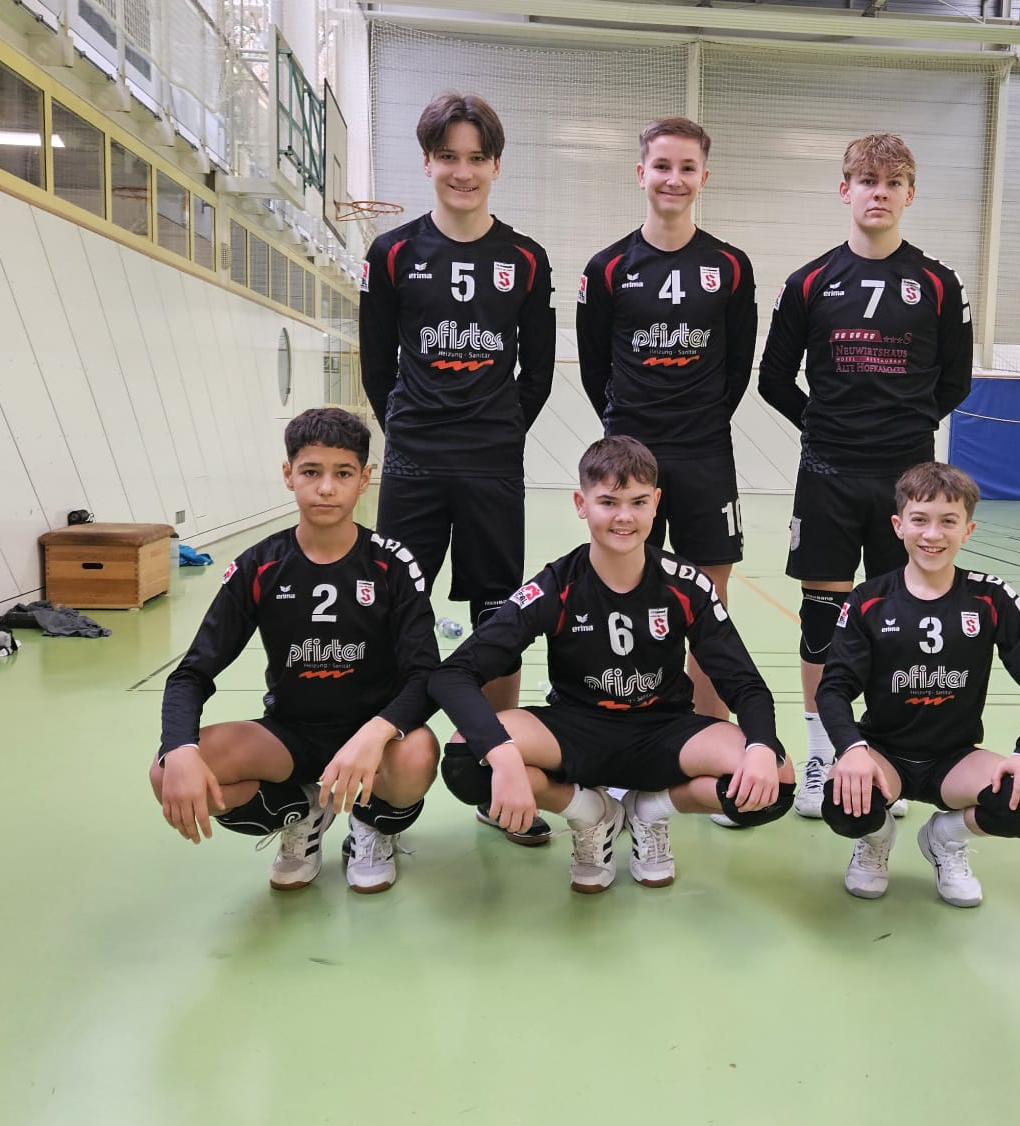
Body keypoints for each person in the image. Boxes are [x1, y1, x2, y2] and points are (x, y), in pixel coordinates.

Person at [428, 436, 793, 894]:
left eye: (638, 502)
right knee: (468, 761)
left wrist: (759, 747)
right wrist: (502, 755)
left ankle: (652, 810)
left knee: (776, 779)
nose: (624, 516)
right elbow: (454, 673)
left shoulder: (686, 585)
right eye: (608, 502)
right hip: (576, 729)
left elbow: (745, 684)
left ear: (656, 503)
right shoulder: (556, 584)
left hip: (664, 731)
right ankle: (590, 813)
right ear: (581, 505)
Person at [360, 91, 556, 845]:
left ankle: (489, 781)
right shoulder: (392, 253)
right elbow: (377, 365)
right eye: (448, 157)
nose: (463, 172)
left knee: (497, 621)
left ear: (496, 165)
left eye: (477, 158)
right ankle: (381, 804)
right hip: (414, 462)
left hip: (491, 466)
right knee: (392, 617)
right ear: (427, 162)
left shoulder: (526, 258)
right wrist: (412, 432)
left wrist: (496, 435)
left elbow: (536, 374)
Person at [758, 133, 972, 821]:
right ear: (844, 189)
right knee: (822, 620)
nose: (879, 192)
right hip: (827, 472)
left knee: (895, 618)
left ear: (910, 193)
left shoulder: (938, 284)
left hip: (906, 482)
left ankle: (881, 760)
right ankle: (824, 757)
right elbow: (772, 379)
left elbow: (956, 382)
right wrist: (826, 428)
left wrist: (902, 433)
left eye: (893, 182)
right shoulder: (810, 281)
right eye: (867, 180)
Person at [152, 408, 441, 893]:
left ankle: (371, 824)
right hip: (290, 735)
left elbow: (424, 674)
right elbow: (192, 674)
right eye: (311, 472)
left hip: (374, 735)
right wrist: (179, 749)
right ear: (289, 475)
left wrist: (375, 733)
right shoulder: (259, 565)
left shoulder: (392, 564)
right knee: (166, 772)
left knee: (418, 754)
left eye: (342, 473)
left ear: (364, 479)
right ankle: (303, 814)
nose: (326, 488)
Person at [817, 462, 1020, 909]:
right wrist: (851, 750)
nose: (933, 534)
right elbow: (833, 687)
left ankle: (945, 838)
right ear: (898, 526)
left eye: (948, 522)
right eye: (920, 519)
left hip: (955, 759)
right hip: (884, 753)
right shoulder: (869, 599)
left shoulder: (991, 598)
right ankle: (876, 838)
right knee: (843, 802)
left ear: (968, 530)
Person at [578, 116, 757, 721]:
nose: (673, 179)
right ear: (640, 173)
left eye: (686, 168)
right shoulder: (607, 267)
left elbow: (738, 365)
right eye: (662, 166)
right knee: (628, 591)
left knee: (710, 600)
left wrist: (701, 420)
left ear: (705, 177)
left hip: (706, 453)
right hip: (632, 455)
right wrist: (628, 430)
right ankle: (633, 729)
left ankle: (709, 736)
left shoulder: (730, 266)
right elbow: (594, 366)